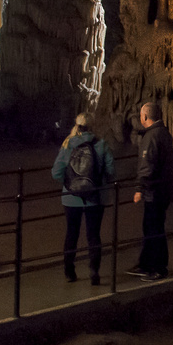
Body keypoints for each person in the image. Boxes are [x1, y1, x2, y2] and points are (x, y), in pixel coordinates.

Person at [51, 113, 116, 285]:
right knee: (93, 235)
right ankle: (94, 272)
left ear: (77, 126)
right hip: (95, 197)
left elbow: (55, 172)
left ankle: (69, 272)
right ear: (93, 126)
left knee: (72, 233)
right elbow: (110, 170)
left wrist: (70, 184)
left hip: (71, 199)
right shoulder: (102, 145)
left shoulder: (68, 145)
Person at [129, 101, 173, 280]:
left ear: (145, 117)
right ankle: (146, 263)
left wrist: (140, 188)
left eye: (141, 115)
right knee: (151, 226)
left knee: (154, 228)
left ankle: (158, 267)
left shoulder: (152, 137)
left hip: (155, 190)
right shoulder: (163, 132)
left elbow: (147, 164)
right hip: (162, 189)